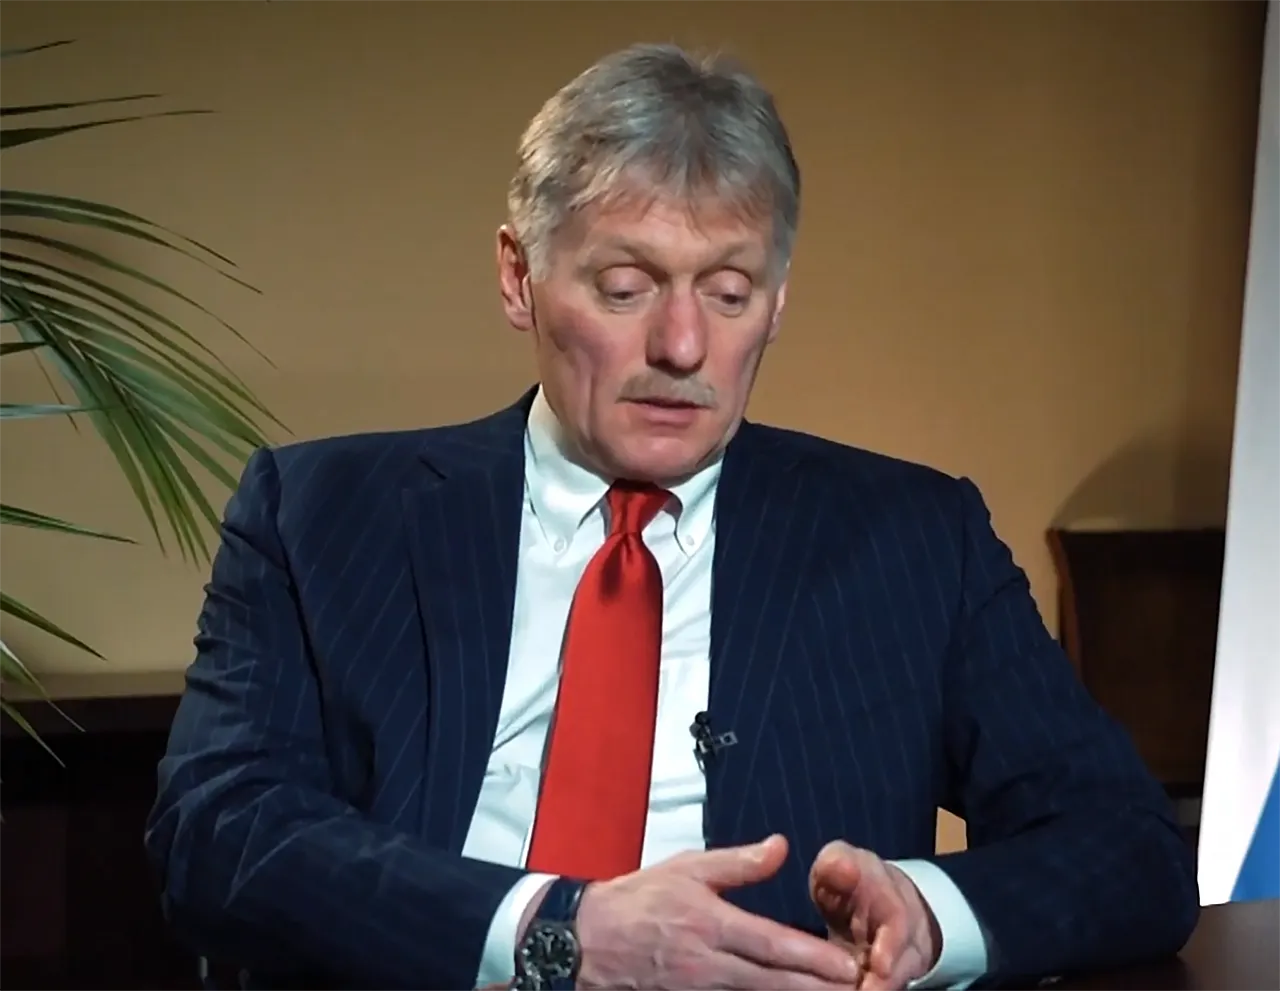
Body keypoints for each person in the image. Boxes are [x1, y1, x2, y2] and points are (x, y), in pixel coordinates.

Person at [144, 42, 1199, 991]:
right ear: (519, 277)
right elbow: (214, 829)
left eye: (729, 292)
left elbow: (1129, 846)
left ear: (777, 302)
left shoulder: (917, 538)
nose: (683, 346)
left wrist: (928, 916)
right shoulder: (320, 515)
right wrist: (554, 932)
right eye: (624, 286)